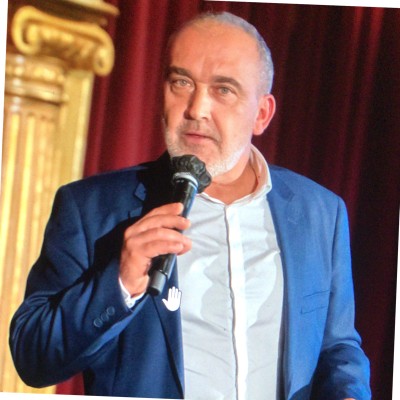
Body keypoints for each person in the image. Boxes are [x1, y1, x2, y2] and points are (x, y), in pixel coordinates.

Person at [9, 11, 371, 400]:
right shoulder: (90, 208)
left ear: (262, 114)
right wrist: (119, 284)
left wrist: (349, 392)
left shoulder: (320, 213)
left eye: (223, 89)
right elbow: (33, 357)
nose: (196, 108)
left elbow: (337, 347)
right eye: (181, 82)